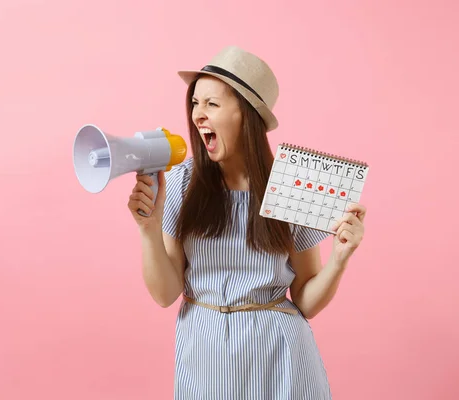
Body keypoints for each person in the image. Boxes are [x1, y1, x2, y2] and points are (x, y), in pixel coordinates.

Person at [127, 46, 367, 400]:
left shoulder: (290, 187)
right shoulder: (180, 182)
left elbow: (305, 301)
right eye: (194, 103)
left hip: (281, 358)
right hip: (204, 355)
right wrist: (148, 230)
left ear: (247, 114)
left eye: (212, 104)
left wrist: (340, 259)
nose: (197, 116)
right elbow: (165, 294)